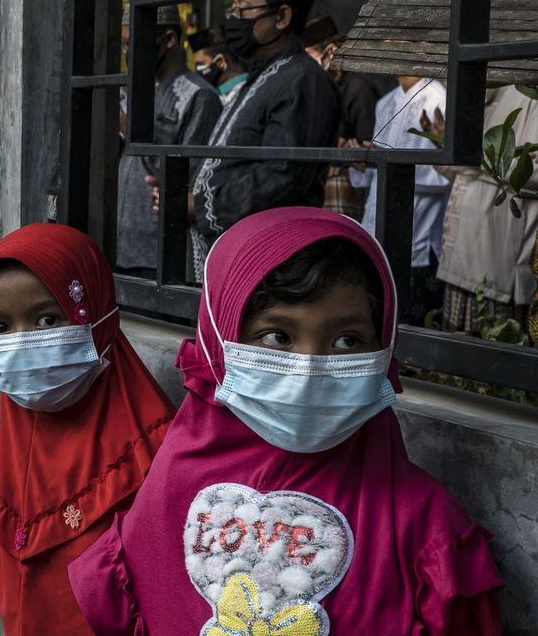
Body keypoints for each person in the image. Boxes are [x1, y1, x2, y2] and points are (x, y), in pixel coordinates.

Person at [68, 207, 503, 635]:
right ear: (218, 342)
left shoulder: (422, 524)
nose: (309, 368)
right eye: (278, 337)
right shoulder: (170, 487)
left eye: (347, 340)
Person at [0, 223, 175, 636]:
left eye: (47, 319)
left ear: (99, 316)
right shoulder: (4, 451)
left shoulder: (157, 461)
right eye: (0, 327)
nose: (21, 343)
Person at [188, 0, 342, 280]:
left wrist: (202, 206)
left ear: (282, 16)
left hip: (273, 260)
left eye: (242, 9)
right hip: (243, 251)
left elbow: (281, 175)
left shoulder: (303, 80)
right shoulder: (263, 75)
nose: (234, 20)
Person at [117, 6, 223, 277]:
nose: (130, 53)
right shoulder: (139, 90)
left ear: (169, 39)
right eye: (126, 45)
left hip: (162, 251)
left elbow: (189, 177)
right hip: (122, 246)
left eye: (135, 44)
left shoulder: (198, 96)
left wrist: (130, 128)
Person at [437, 85, 538, 334]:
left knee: (493, 350)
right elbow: (463, 173)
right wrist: (443, 147)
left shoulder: (529, 93)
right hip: (463, 249)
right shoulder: (482, 94)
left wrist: (474, 153)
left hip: (497, 257)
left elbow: (532, 173)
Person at [349, 76, 449, 325]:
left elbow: (446, 176)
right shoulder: (385, 103)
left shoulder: (439, 99)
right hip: (376, 223)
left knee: (410, 323)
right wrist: (363, 160)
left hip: (418, 231)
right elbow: (376, 171)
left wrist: (386, 161)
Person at [304, 16, 382, 221]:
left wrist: (344, 148)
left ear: (331, 52)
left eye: (309, 56)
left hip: (344, 187)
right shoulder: (319, 88)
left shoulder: (359, 89)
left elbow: (369, 147)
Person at [188, 28, 248, 107]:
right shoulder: (216, 96)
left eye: (200, 64)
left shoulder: (246, 94)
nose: (197, 70)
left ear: (220, 62)